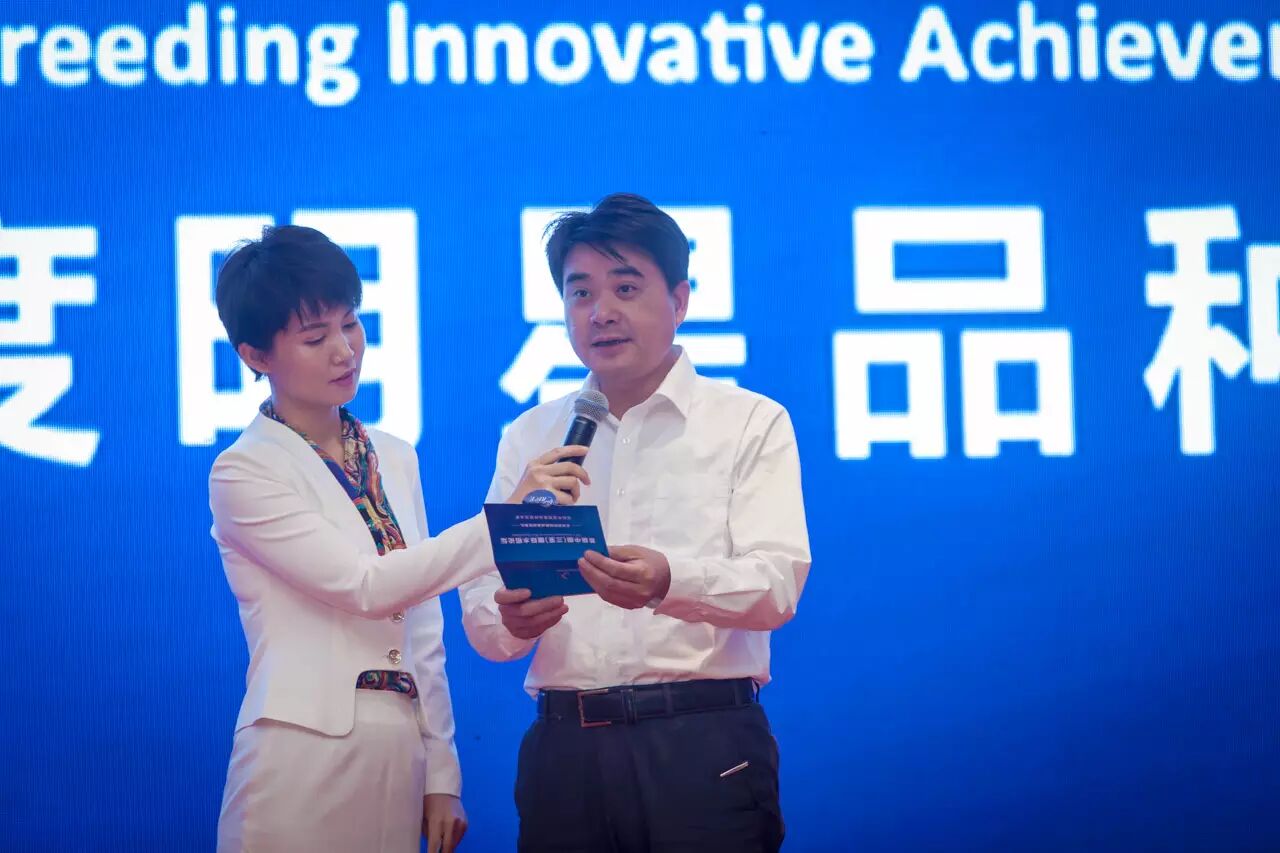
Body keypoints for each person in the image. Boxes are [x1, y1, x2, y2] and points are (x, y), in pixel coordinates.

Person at [209, 224, 588, 852]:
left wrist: (441, 773)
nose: (345, 351)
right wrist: (504, 520)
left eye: (351, 324)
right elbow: (365, 586)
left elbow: (423, 626)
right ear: (255, 356)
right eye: (315, 337)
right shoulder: (244, 470)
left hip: (398, 753)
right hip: (298, 754)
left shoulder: (392, 454)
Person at [460, 194, 812, 851]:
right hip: (565, 752)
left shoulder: (748, 422)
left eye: (626, 288)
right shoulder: (530, 434)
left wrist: (668, 581)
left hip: (702, 746)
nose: (601, 312)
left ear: (679, 299)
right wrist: (509, 619)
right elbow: (483, 611)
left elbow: (777, 584)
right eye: (581, 292)